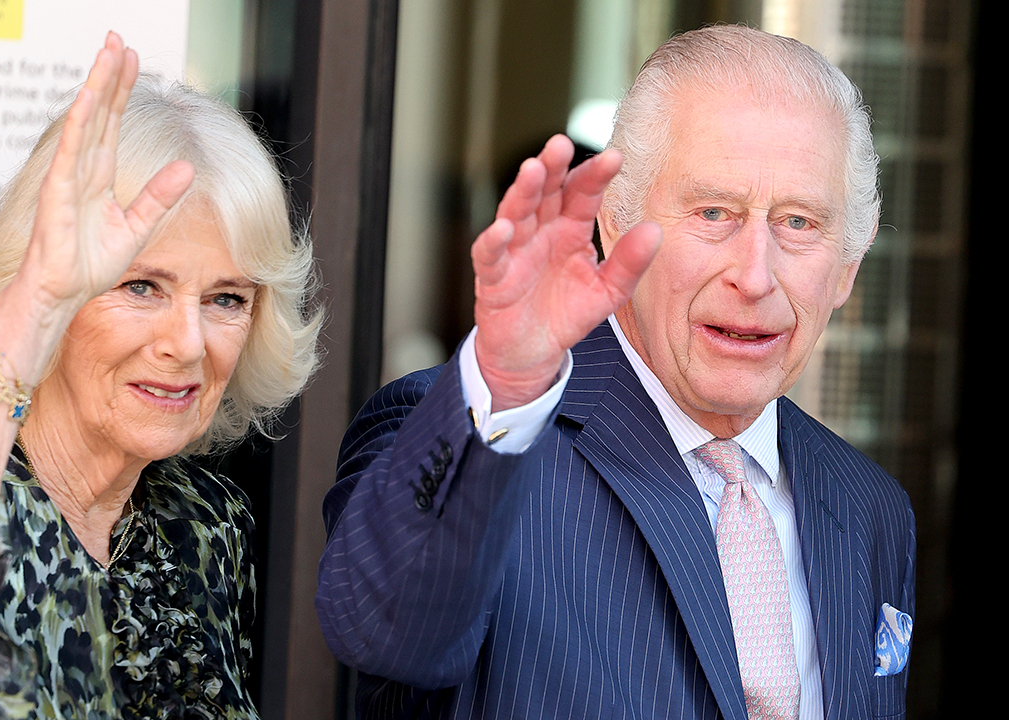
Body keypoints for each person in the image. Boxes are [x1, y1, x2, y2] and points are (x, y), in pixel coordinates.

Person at [316, 25, 914, 720]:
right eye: (713, 212)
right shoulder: (485, 433)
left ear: (849, 264)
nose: (755, 275)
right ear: (614, 222)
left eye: (800, 223)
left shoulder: (872, 508)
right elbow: (383, 632)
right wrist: (505, 382)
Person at [0, 33, 319, 719]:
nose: (187, 343)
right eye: (140, 286)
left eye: (226, 299)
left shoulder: (206, 525)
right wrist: (36, 301)